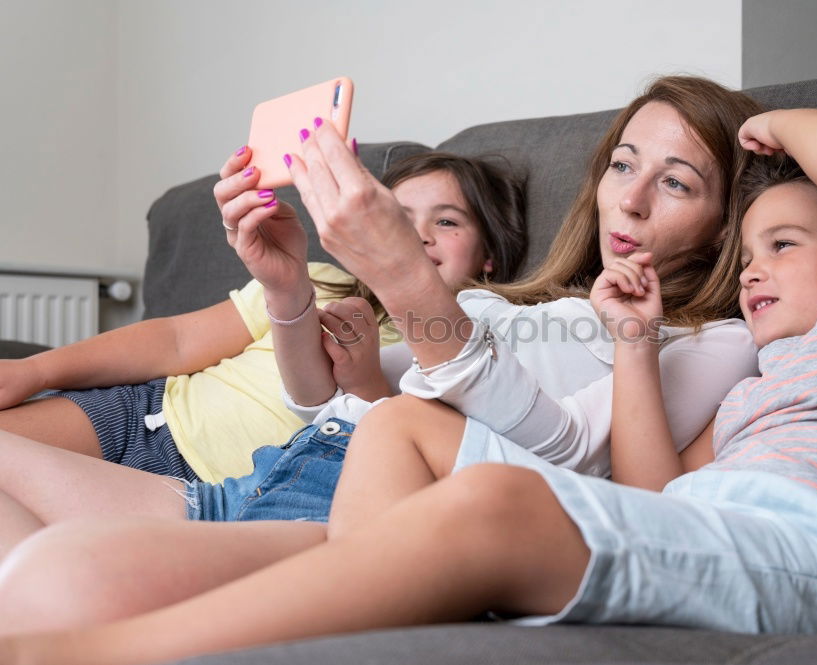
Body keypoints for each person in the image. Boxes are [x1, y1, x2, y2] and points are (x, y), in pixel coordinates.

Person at [0, 76, 766, 649]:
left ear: (723, 221)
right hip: (273, 474)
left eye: (674, 182)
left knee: (46, 586)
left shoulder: (707, 340)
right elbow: (325, 404)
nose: (629, 201)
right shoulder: (524, 306)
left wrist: (406, 279)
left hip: (351, 516)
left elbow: (569, 456)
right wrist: (288, 287)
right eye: (623, 165)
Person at [0, 151, 527, 484]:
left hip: (217, 495)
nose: (419, 235)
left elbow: (384, 453)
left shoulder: (467, 350)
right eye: (398, 217)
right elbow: (179, 341)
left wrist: (364, 378)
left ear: (489, 257)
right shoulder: (318, 279)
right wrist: (37, 371)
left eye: (448, 221)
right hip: (146, 415)